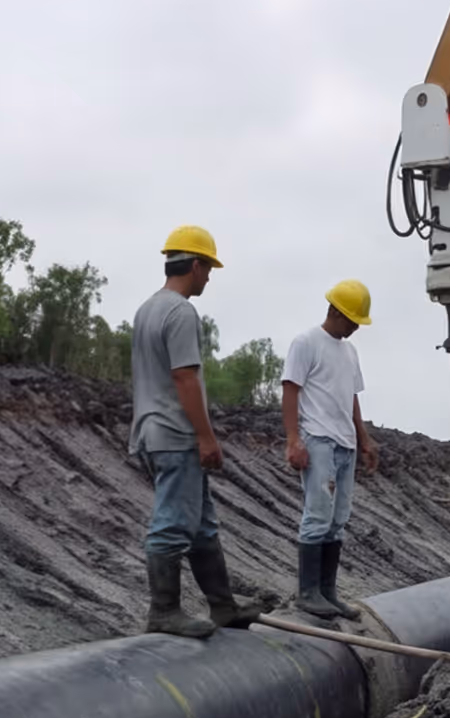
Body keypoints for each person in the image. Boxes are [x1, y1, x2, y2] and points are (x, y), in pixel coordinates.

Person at [129, 225, 263, 637]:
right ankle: (164, 611)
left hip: (151, 430)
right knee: (173, 524)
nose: (209, 278)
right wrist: (205, 436)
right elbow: (185, 378)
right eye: (208, 269)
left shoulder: (147, 308)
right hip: (175, 434)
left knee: (201, 524)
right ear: (195, 264)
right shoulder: (181, 312)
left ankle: (222, 606)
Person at [281, 279, 381, 622]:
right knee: (318, 515)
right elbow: (291, 391)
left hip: (345, 444)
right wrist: (293, 440)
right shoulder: (306, 343)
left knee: (338, 520)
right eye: (351, 320)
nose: (355, 327)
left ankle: (327, 591)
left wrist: (364, 438)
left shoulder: (349, 352)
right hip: (319, 440)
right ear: (335, 311)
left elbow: (351, 398)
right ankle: (308, 593)